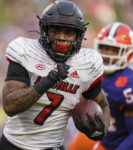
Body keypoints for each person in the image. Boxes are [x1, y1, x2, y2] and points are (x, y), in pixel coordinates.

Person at [0, 0, 110, 150]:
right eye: (55, 31)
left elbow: (103, 104)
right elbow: (10, 105)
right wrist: (49, 80)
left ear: (79, 36)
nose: (62, 37)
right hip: (14, 144)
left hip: (52, 146)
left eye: (69, 32)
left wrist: (101, 131)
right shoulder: (26, 51)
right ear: (45, 30)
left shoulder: (87, 63)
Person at [68, 22, 133, 150]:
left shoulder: (132, 83)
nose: (107, 53)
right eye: (105, 47)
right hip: (103, 136)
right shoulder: (90, 71)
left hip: (125, 144)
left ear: (127, 52)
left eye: (114, 49)